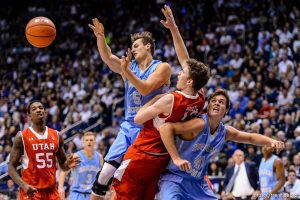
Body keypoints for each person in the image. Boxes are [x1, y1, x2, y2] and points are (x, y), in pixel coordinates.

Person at [111, 8, 210, 197]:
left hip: (146, 151)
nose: (178, 73)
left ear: (189, 81)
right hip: (170, 156)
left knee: (119, 191)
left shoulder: (169, 99)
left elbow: (139, 118)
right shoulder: (199, 97)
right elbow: (185, 60)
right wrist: (174, 29)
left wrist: (154, 100)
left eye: (182, 73)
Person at [88, 19, 171, 199]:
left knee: (150, 182)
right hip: (129, 126)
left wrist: (127, 73)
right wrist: (101, 37)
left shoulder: (162, 67)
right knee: (104, 174)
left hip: (152, 130)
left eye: (136, 46)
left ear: (148, 46)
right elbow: (108, 58)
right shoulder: (129, 66)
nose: (132, 49)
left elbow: (146, 88)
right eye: (132, 47)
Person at [157, 89, 285, 200]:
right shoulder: (199, 124)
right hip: (175, 178)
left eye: (221, 102)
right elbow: (165, 128)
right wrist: (176, 158)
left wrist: (271, 141)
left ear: (227, 110)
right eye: (213, 101)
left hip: (198, 183)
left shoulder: (225, 132)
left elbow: (250, 137)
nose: (217, 103)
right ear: (208, 106)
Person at [8, 100, 80, 200]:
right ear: (29, 115)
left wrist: (68, 165)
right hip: (31, 191)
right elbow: (11, 167)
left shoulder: (56, 135)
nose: (38, 110)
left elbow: (63, 165)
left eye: (41, 108)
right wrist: (23, 185)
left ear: (45, 112)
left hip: (51, 191)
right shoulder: (21, 137)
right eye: (34, 109)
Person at [58, 131, 103, 200]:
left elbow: (102, 177)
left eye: (91, 140)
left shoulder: (99, 157)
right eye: (86, 140)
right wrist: (60, 188)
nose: (89, 142)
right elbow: (64, 172)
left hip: (92, 195)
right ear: (83, 143)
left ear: (95, 142)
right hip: (77, 194)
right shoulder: (76, 156)